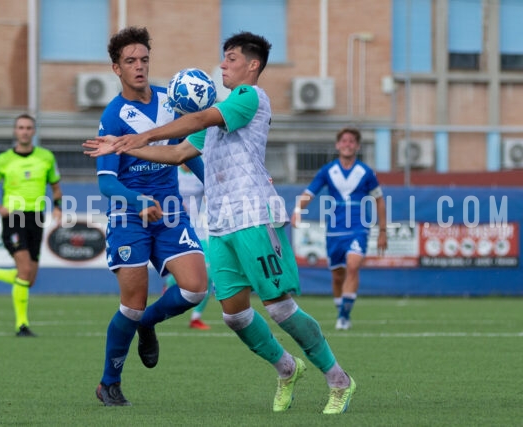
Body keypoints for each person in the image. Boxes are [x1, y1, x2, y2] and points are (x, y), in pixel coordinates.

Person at [84, 31, 356, 415]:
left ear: (252, 65)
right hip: (223, 224)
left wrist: (138, 136)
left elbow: (197, 119)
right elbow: (179, 152)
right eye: (223, 58)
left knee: (278, 307)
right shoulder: (206, 117)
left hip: (255, 218)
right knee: (235, 314)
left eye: (230, 58)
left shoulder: (249, 98)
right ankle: (286, 368)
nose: (222, 64)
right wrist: (122, 145)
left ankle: (338, 379)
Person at [92, 26, 208, 407]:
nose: (139, 66)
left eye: (144, 59)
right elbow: (107, 184)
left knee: (195, 289)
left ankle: (148, 324)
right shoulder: (113, 117)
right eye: (130, 61)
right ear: (116, 68)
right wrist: (137, 200)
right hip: (130, 216)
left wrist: (221, 186)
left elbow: (190, 151)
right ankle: (109, 382)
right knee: (132, 303)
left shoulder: (171, 102)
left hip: (171, 213)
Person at [291, 128, 387, 330]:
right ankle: (340, 310)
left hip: (359, 228)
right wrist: (298, 209)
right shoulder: (328, 170)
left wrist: (383, 231)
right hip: (335, 229)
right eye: (344, 141)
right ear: (338, 145)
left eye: (352, 141)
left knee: (353, 265)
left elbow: (379, 200)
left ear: (357, 146)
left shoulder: (366, 172)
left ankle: (344, 316)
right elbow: (310, 192)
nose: (347, 144)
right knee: (337, 275)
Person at [0, 113, 63, 337]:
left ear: (33, 132)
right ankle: (21, 325)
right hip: (13, 218)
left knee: (29, 279)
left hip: (36, 218)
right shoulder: (3, 160)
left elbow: (55, 187)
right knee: (24, 271)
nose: (24, 131)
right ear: (15, 131)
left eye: (28, 128)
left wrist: (57, 207)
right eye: (21, 127)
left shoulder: (46, 157)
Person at [163, 164, 213, 330]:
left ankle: (196, 317)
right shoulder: (172, 170)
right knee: (181, 272)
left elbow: (212, 192)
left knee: (209, 273)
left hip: (197, 229)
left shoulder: (200, 168)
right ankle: (169, 285)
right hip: (175, 228)